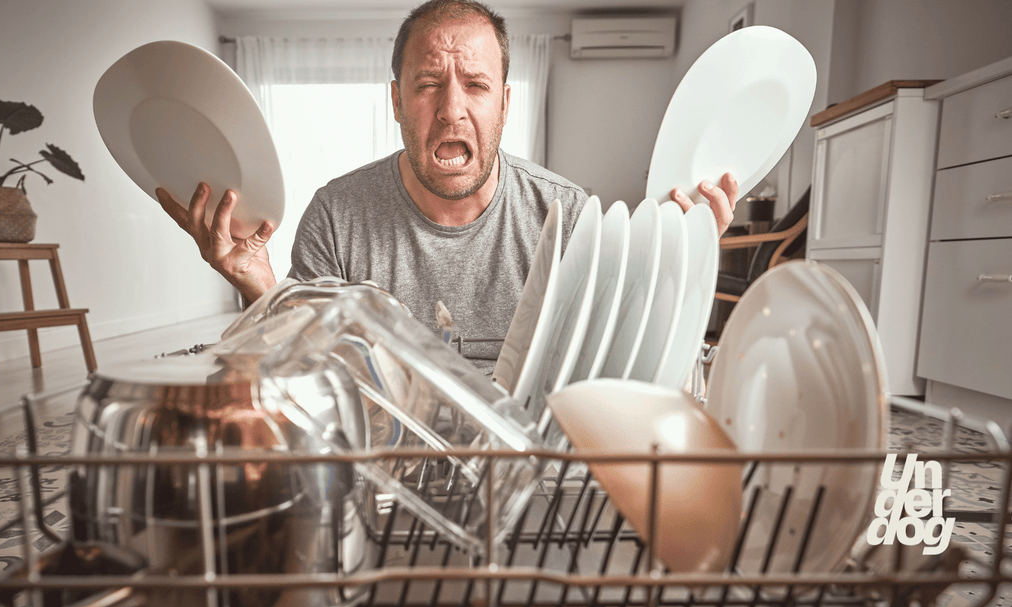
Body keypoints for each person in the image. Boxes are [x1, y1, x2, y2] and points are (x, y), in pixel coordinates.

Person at [155, 0, 738, 371]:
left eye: (477, 85)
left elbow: (615, 360)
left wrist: (685, 261)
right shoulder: (336, 214)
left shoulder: (567, 214)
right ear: (397, 101)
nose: (452, 109)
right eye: (429, 83)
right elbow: (310, 369)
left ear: (506, 104)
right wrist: (258, 284)